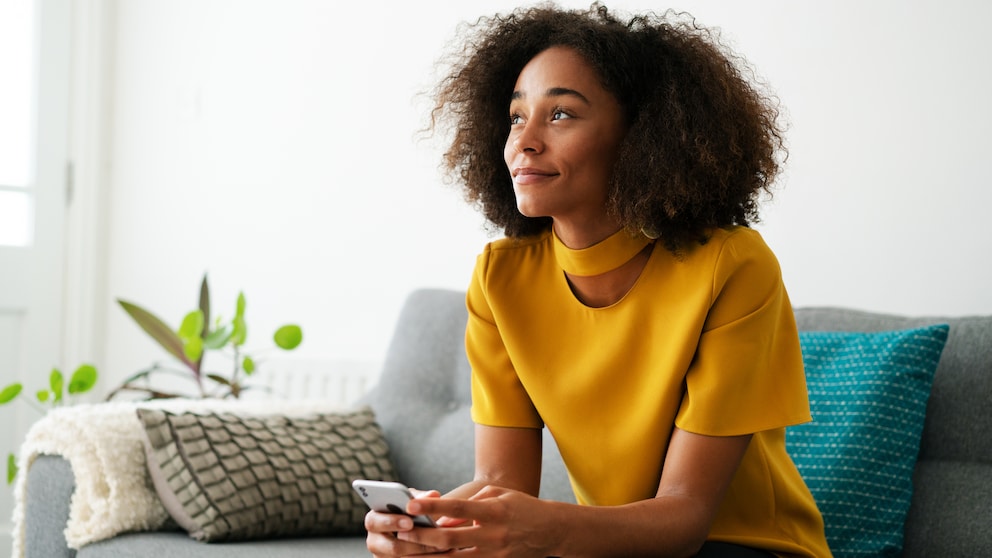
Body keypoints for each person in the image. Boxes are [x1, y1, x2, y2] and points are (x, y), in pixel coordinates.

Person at [366, 3, 832, 556]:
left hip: (745, 547)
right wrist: (435, 526)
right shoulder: (500, 278)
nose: (525, 141)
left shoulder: (731, 266)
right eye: (517, 116)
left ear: (641, 136)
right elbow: (504, 487)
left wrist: (549, 530)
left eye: (560, 114)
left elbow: (685, 517)